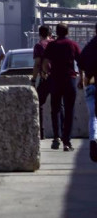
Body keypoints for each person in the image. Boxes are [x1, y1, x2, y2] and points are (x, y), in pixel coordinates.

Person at [44, 23, 82, 151]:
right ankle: (67, 142)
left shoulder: (52, 45)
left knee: (55, 109)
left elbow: (45, 63)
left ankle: (56, 137)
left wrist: (47, 72)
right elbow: (80, 63)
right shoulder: (73, 44)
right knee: (69, 110)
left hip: (55, 79)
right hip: (69, 79)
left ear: (57, 32)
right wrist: (81, 79)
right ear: (67, 32)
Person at [78, 25, 97, 163]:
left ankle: (93, 139)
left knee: (93, 116)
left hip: (91, 83)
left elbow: (80, 62)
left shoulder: (90, 45)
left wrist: (83, 78)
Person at [33, 24, 54, 140]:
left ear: (39, 34)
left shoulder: (39, 46)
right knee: (59, 106)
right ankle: (60, 134)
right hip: (58, 77)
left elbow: (37, 64)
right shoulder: (54, 43)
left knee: (39, 104)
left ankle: (41, 132)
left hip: (45, 77)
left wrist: (33, 79)